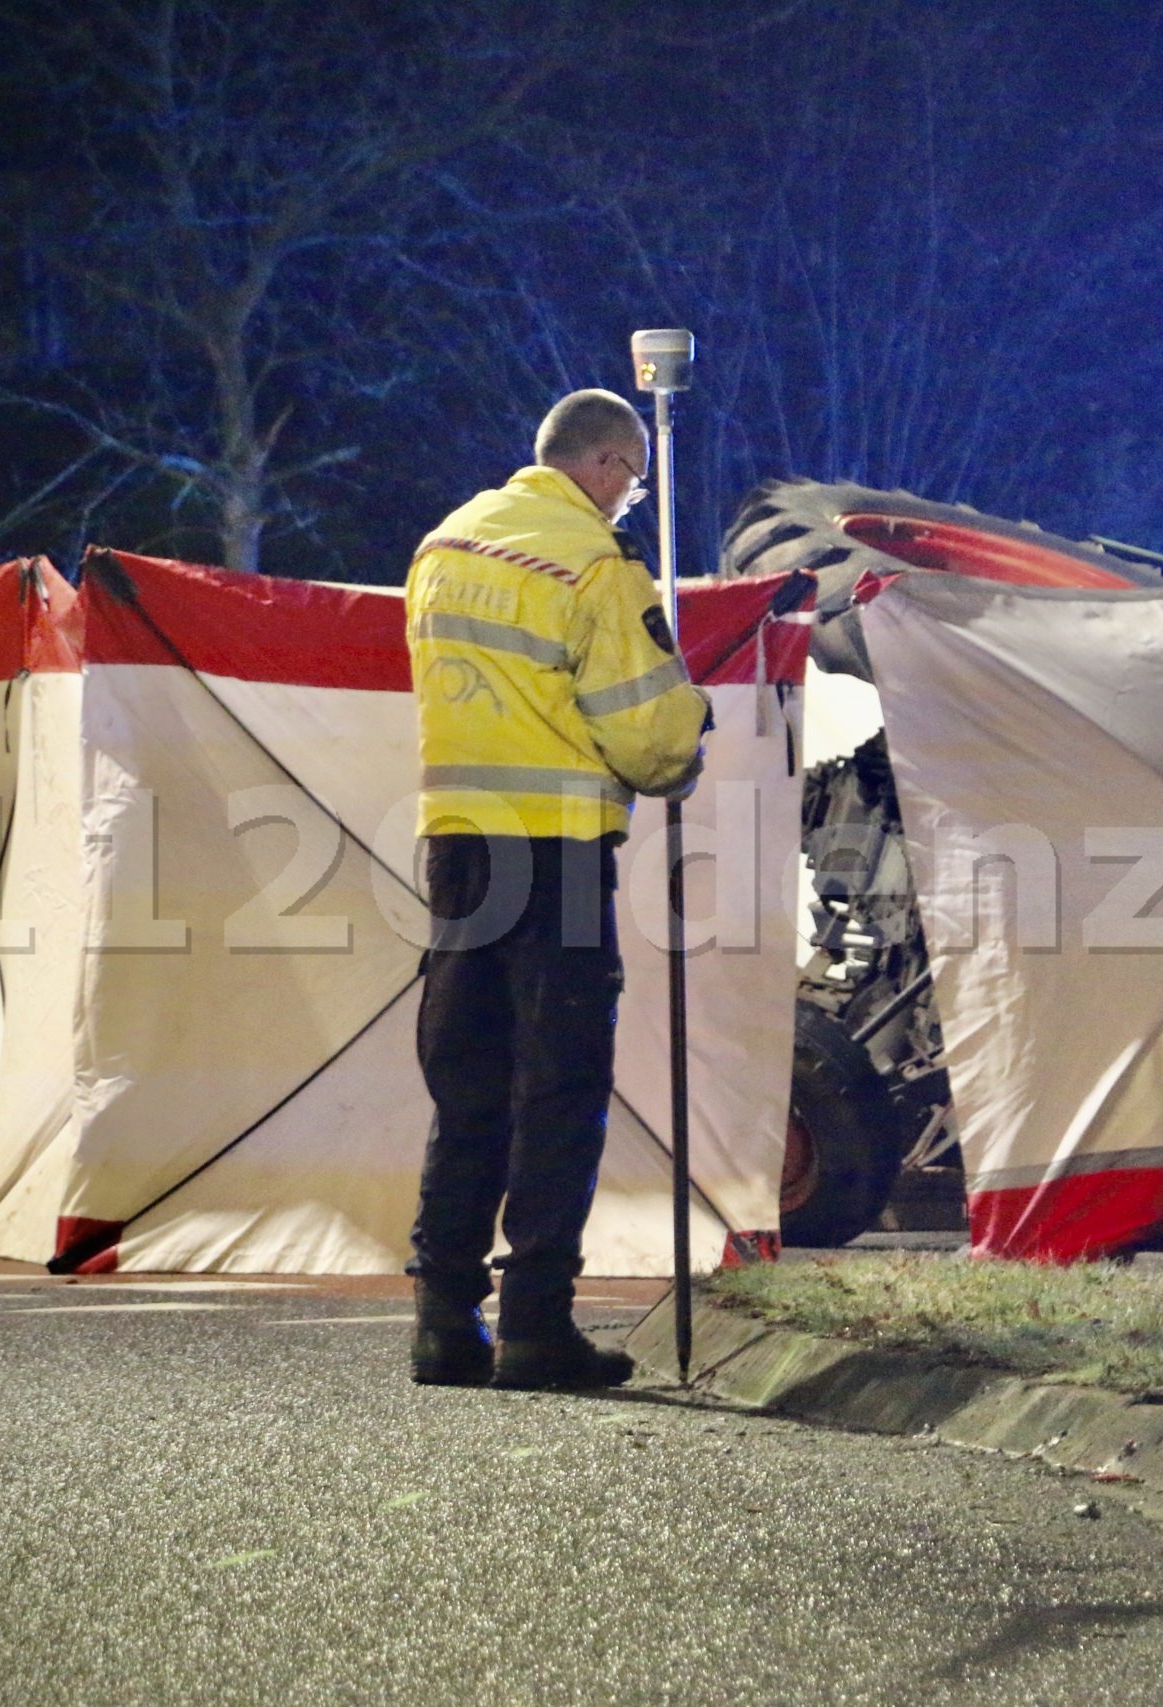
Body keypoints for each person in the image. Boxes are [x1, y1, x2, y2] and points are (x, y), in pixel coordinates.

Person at [402, 388, 708, 1390]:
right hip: (559, 855)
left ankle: (444, 1320)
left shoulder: (445, 544)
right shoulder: (593, 564)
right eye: (634, 481)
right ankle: (536, 1324)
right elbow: (650, 737)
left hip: (457, 847)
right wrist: (689, 727)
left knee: (468, 1082)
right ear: (611, 463)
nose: (631, 502)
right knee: (560, 1084)